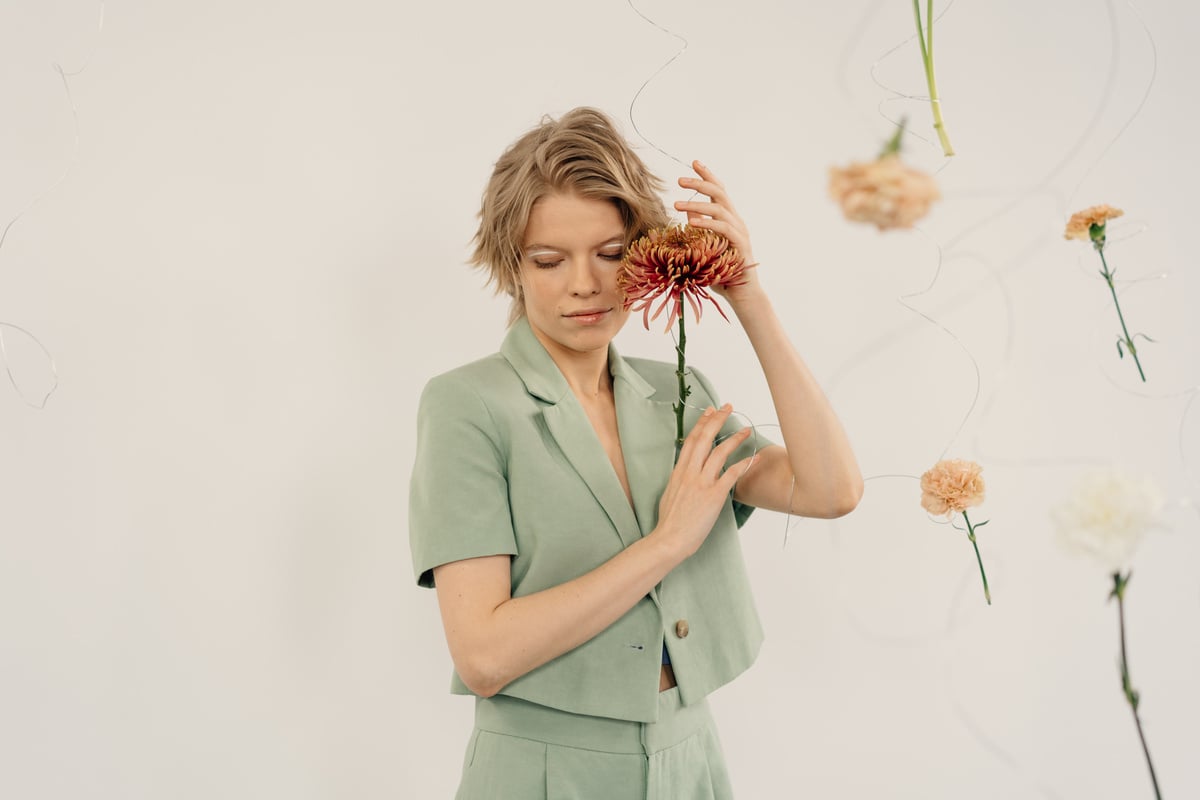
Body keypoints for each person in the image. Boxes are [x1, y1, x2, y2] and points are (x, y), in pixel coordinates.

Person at [409, 107, 862, 799]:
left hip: (691, 760)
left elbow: (831, 491)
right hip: (544, 773)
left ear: (645, 252)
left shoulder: (674, 393)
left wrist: (748, 293)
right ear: (512, 266)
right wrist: (667, 543)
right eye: (549, 260)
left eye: (612, 252)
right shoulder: (467, 406)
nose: (585, 284)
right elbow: (483, 656)